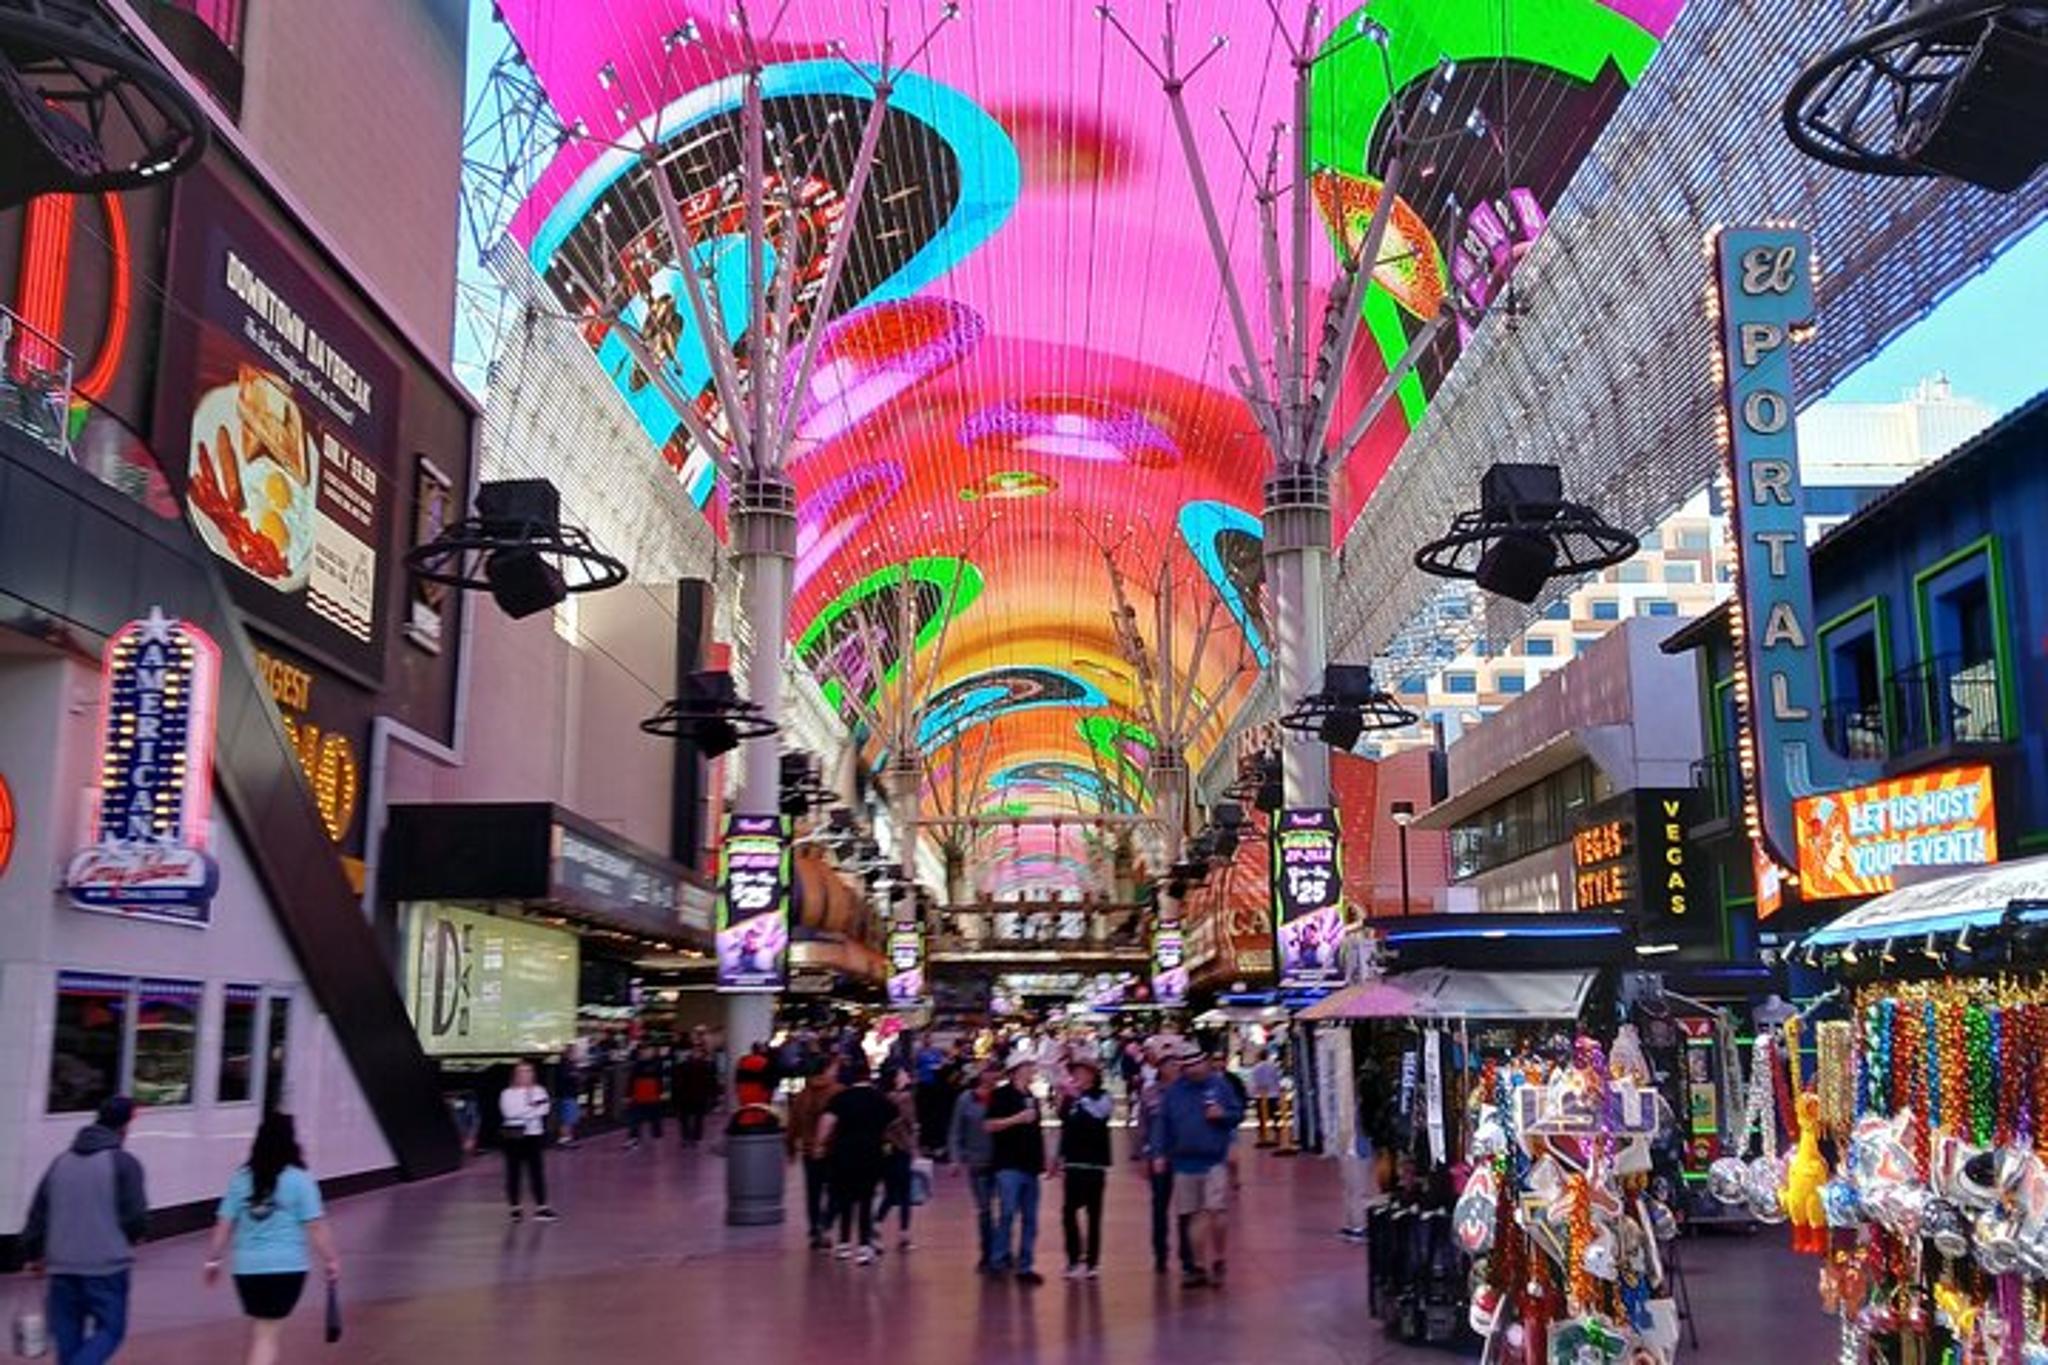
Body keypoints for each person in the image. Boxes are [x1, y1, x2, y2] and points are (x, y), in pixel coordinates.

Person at [203, 1113, 342, 1365]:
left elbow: (224, 1223)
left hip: (247, 1269)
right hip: (286, 1267)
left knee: (260, 1329)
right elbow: (316, 1226)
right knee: (266, 1335)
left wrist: (213, 1260)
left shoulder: (241, 1178)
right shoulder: (300, 1179)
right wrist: (331, 1260)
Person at [22, 1097, 147, 1365]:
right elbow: (135, 1215)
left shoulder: (60, 1162)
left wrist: (33, 1253)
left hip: (61, 1266)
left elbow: (39, 1212)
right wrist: (135, 1235)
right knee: (111, 1330)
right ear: (125, 1126)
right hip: (107, 1266)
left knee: (67, 1341)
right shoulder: (124, 1163)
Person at [1153, 1043, 1244, 1288]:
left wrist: (1222, 1115)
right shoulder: (1175, 1092)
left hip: (1213, 1158)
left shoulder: (1220, 1086)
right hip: (1184, 1161)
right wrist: (1158, 1153)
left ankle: (1219, 1257)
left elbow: (1237, 1113)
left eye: (1197, 1064)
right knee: (1194, 1214)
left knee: (1216, 1210)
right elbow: (1163, 1123)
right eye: (1188, 1066)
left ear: (1205, 1062)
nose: (1194, 1070)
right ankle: (1199, 1265)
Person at [816, 1057, 894, 1264]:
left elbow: (827, 1122)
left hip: (843, 1154)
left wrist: (820, 1145)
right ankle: (864, 1247)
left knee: (845, 1199)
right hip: (871, 1153)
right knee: (866, 1199)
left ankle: (843, 1244)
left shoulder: (841, 1098)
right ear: (869, 1076)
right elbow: (893, 1124)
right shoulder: (880, 1098)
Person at [984, 1056, 1047, 1285]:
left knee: (1030, 1218)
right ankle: (998, 1259)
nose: (1032, 1071)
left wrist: (1043, 1160)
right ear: (1017, 1070)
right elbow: (989, 1125)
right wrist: (1017, 1119)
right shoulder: (1001, 1095)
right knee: (1008, 1212)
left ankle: (1025, 1265)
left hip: (1030, 1165)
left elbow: (1037, 1131)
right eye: (1028, 1067)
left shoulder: (1032, 1098)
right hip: (1008, 1164)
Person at [1135, 1049, 1197, 1277]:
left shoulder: (1188, 1092)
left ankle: (1187, 1257)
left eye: (1178, 1064)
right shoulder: (1150, 1094)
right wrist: (1144, 1156)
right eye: (1171, 1064)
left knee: (1186, 1208)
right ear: (1160, 1068)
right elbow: (1143, 1127)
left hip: (1184, 1157)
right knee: (1159, 1207)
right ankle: (1160, 1254)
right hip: (1159, 1158)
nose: (1176, 1068)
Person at [1057, 1058, 1114, 1279]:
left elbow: (1100, 1115)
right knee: (1068, 1212)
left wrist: (1079, 1097)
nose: (1077, 1076)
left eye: (1081, 1072)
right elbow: (1065, 1127)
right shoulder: (1070, 1099)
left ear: (1092, 1075)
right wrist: (1058, 1156)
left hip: (1094, 1163)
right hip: (1073, 1162)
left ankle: (1092, 1262)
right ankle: (1073, 1259)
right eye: (1075, 1072)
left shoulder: (1103, 1096)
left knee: (1094, 1214)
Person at [947, 1067, 999, 1273]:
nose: (991, 1075)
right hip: (978, 1162)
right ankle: (987, 1253)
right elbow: (955, 1130)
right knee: (985, 1210)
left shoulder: (1003, 1097)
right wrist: (955, 1158)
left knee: (1006, 1210)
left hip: (1001, 1162)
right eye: (987, 1071)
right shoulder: (965, 1100)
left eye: (994, 1071)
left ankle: (1002, 1250)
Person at [786, 1062, 841, 1249]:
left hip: (809, 1151)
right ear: (826, 1069)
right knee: (836, 1191)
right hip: (832, 1149)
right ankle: (826, 1223)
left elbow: (793, 1125)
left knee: (813, 1192)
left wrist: (790, 1148)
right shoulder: (837, 1092)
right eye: (833, 1067)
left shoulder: (803, 1095)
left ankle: (814, 1229)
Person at [499, 1061, 559, 1222]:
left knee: (536, 1171)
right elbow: (510, 1113)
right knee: (514, 1171)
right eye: (522, 1071)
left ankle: (542, 1207)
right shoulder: (507, 1093)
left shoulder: (539, 1090)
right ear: (515, 1075)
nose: (525, 1074)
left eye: (529, 1071)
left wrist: (527, 1110)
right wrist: (532, 1108)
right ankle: (515, 1208)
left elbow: (545, 1109)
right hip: (514, 1136)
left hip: (534, 1135)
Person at [870, 1065, 920, 1250]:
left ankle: (877, 1223)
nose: (906, 1075)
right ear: (896, 1079)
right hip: (902, 1146)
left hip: (885, 1148)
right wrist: (915, 1144)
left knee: (891, 1191)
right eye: (902, 1073)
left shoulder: (880, 1097)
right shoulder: (905, 1098)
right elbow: (910, 1122)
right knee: (904, 1192)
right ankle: (904, 1233)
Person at [673, 1041, 720, 1146]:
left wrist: (713, 1095)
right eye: (695, 1051)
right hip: (686, 1096)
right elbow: (678, 1082)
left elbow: (711, 1082)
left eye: (699, 1051)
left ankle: (694, 1138)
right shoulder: (683, 1065)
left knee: (698, 1118)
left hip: (699, 1096)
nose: (697, 1053)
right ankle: (687, 1137)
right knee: (686, 1118)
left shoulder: (706, 1066)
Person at [625, 1044, 666, 1148]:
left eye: (649, 1050)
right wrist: (628, 1094)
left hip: (652, 1094)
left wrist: (661, 1092)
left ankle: (657, 1137)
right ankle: (634, 1138)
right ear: (641, 1052)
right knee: (635, 1118)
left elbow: (659, 1079)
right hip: (639, 1094)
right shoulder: (636, 1064)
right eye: (645, 1050)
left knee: (655, 1117)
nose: (647, 1052)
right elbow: (631, 1080)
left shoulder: (656, 1063)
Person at [1250, 1050, 1283, 1148]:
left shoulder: (1256, 1068)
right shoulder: (1272, 1066)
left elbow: (1255, 1081)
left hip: (1260, 1095)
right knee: (1274, 1115)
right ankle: (1278, 1134)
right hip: (1273, 1094)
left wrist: (1253, 1093)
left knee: (1261, 1117)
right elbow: (1277, 1079)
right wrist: (1278, 1090)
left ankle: (1262, 1136)